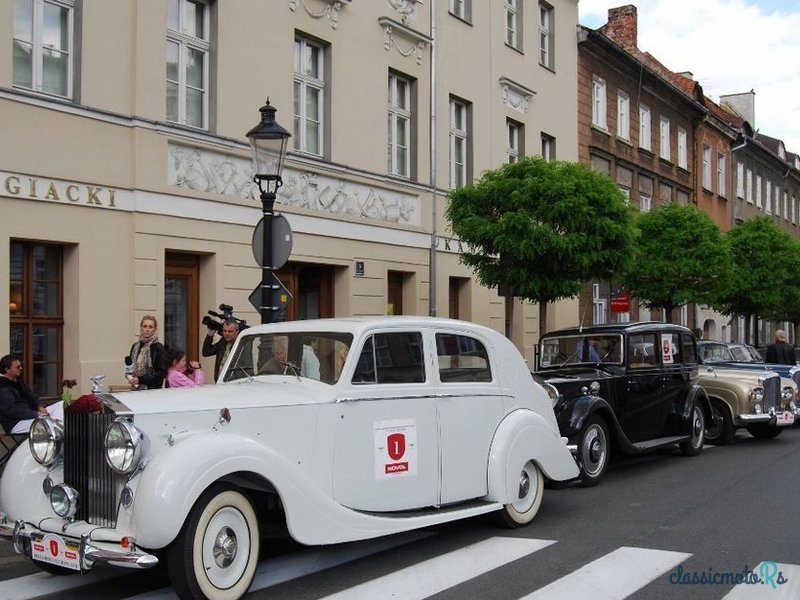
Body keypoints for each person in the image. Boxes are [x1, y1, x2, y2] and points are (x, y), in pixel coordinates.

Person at [0, 354, 47, 434]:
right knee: (47, 425)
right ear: (7, 369)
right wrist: (35, 414)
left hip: (29, 416)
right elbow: (13, 410)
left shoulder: (18, 381)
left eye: (20, 366)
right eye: (18, 367)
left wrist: (39, 406)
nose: (21, 368)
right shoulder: (2, 386)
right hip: (15, 423)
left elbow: (31, 396)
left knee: (61, 408)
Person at [126, 315, 166, 390]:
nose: (147, 329)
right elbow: (131, 367)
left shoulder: (158, 347)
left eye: (150, 327)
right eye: (145, 326)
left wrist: (140, 379)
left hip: (152, 390)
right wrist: (129, 375)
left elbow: (161, 372)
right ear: (141, 328)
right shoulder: (135, 346)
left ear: (154, 329)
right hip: (135, 389)